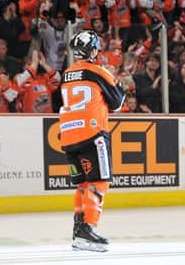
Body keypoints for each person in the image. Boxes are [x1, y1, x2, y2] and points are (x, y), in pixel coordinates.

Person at [58, 30, 125, 252]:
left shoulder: (66, 73)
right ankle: (88, 228)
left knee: (83, 184)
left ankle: (78, 230)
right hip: (92, 133)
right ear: (94, 50)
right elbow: (117, 102)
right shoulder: (98, 71)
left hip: (68, 134)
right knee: (100, 182)